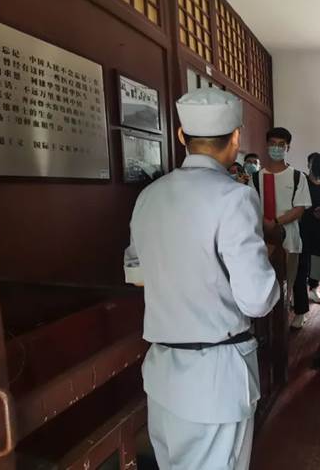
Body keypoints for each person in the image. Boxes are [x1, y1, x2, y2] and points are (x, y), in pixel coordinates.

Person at [124, 87, 280, 470]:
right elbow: (257, 299)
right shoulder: (234, 197)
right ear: (236, 139)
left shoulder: (148, 197)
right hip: (216, 378)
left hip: (163, 375)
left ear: (181, 135)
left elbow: (138, 276)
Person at [250, 127, 312, 296]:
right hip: (261, 240)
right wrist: (265, 223)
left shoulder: (297, 177)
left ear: (287, 147)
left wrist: (275, 223)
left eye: (281, 145)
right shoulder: (256, 178)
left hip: (290, 242)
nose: (276, 148)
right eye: (272, 144)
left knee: (285, 290)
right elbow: (251, 206)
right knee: (262, 289)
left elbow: (299, 209)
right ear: (266, 145)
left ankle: (286, 310)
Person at [292, 152, 320, 328]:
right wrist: (313, 213)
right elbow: (296, 208)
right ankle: (300, 311)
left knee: (317, 269)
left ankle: (313, 289)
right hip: (303, 234)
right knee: (300, 271)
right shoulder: (302, 183)